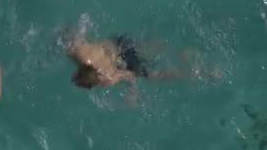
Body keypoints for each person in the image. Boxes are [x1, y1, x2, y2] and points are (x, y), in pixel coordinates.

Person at [62, 14, 221, 103]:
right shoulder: (82, 54)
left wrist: (133, 91)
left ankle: (204, 72)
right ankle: (182, 51)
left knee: (154, 76)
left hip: (125, 59)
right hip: (119, 42)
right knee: (151, 47)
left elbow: (129, 75)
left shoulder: (107, 79)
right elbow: (75, 32)